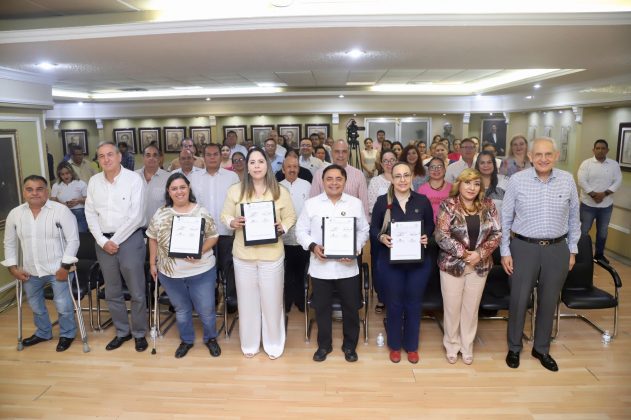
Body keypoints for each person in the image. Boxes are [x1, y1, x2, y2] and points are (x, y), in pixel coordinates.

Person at [501, 137, 580, 372]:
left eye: (548, 154)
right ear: (530, 157)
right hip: (523, 247)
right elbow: (505, 218)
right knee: (519, 299)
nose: (543, 159)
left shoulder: (567, 180)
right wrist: (505, 251)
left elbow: (574, 218)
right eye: (538, 154)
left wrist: (572, 249)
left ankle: (542, 348)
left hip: (557, 249)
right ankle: (514, 347)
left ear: (556, 156)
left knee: (549, 300)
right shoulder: (517, 180)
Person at [221, 147, 296, 359]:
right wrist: (232, 222)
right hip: (243, 256)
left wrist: (283, 227)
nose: (256, 166)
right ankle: (250, 344)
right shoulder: (235, 191)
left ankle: (273, 344)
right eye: (252, 162)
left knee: (272, 302)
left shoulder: (280, 191)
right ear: (247, 166)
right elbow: (225, 215)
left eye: (260, 162)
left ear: (267, 165)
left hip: (272, 256)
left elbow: (290, 217)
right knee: (247, 302)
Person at [296, 164, 370, 363]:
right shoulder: (311, 204)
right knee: (322, 308)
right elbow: (300, 231)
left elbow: (364, 230)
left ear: (345, 181)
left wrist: (354, 248)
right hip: (321, 268)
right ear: (322, 181)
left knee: (351, 308)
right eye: (329, 179)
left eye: (339, 179)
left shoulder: (355, 203)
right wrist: (313, 246)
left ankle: (349, 346)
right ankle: (324, 345)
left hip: (348, 268)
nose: (334, 183)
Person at [147, 173, 221, 359]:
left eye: (182, 187)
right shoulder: (161, 213)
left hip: (201, 270)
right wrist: (152, 262)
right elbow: (152, 238)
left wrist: (200, 251)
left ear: (189, 188)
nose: (179, 191)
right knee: (181, 310)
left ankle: (211, 338)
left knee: (206, 309)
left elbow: (213, 236)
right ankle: (187, 340)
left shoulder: (201, 211)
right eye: (174, 188)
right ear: (168, 192)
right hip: (170, 274)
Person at [2, 175, 79, 352]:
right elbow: (9, 243)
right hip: (30, 270)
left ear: (47, 191)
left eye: (39, 189)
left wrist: (65, 267)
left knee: (63, 306)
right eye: (29, 189)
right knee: (36, 306)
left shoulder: (61, 211)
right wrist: (13, 268)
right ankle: (44, 332)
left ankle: (67, 334)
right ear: (24, 192)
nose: (34, 193)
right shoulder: (15, 214)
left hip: (58, 269)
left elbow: (73, 240)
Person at [85, 142, 148, 352]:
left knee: (137, 291)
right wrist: (103, 241)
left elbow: (136, 216)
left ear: (119, 156)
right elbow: (90, 214)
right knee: (112, 291)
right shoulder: (94, 181)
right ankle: (122, 332)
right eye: (101, 156)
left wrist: (115, 240)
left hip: (130, 240)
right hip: (103, 242)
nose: (106, 159)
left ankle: (139, 333)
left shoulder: (134, 179)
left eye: (110, 154)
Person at [435, 168, 501, 365]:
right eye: (467, 183)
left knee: (471, 309)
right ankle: (451, 345)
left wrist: (480, 254)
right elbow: (441, 235)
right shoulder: (448, 205)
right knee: (452, 308)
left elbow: (497, 233)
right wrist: (464, 254)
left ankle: (467, 346)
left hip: (479, 265)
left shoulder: (488, 205)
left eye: (476, 184)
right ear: (459, 184)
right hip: (452, 265)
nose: (472, 188)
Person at [370, 163, 434, 364]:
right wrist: (381, 237)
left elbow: (431, 226)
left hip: (418, 263)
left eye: (406, 175)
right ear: (392, 178)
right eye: (398, 176)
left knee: (414, 303)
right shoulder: (383, 202)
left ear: (412, 176)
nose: (403, 180)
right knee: (394, 303)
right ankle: (395, 345)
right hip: (390, 263)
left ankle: (412, 346)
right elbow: (373, 228)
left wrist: (426, 236)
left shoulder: (422, 200)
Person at [190, 143, 240, 314]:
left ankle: (230, 299)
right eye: (208, 154)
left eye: (215, 154)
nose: (212, 157)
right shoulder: (194, 177)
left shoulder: (231, 177)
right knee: (206, 270)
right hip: (203, 234)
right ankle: (209, 299)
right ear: (203, 157)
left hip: (226, 232)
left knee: (229, 267)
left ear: (221, 156)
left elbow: (237, 203)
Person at [577, 139, 622, 263]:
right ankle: (579, 255)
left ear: (607, 150)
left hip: (606, 206)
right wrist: (593, 194)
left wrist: (604, 194)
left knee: (602, 232)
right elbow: (581, 180)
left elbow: (618, 181)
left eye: (603, 148)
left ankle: (599, 255)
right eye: (598, 148)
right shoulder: (586, 164)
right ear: (593, 150)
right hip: (587, 205)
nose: (600, 150)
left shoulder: (614, 165)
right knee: (583, 231)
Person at [279, 155, 311, 312]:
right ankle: (286, 300)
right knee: (286, 271)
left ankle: (300, 299)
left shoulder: (307, 185)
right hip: (283, 237)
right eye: (289, 167)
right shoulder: (277, 187)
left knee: (301, 269)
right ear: (283, 169)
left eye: (295, 167)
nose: (292, 169)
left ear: (299, 169)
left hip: (302, 236)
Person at [310, 140, 369, 218]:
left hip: (351, 222)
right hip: (325, 221)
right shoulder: (319, 174)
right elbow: (313, 203)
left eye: (344, 152)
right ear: (331, 153)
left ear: (348, 154)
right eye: (337, 151)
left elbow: (364, 205)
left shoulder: (359, 175)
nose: (340, 155)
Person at [135, 144, 169, 227]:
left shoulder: (168, 177)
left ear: (159, 159)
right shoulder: (133, 176)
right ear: (143, 158)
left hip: (159, 228)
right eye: (148, 155)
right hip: (136, 228)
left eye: (155, 155)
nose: (151, 158)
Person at [50, 162, 89, 232]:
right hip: (62, 213)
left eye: (67, 173)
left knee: (81, 235)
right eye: (62, 174)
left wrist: (78, 201)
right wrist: (63, 204)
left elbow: (88, 200)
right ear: (59, 175)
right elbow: (53, 201)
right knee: (66, 235)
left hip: (79, 213)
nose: (65, 176)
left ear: (72, 172)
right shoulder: (56, 186)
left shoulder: (81, 183)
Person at [417, 157, 452, 224]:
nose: (436, 170)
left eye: (439, 166)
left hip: (449, 226)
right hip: (427, 226)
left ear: (445, 170)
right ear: (428, 171)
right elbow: (419, 211)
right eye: (432, 167)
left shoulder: (452, 188)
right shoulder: (422, 189)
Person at [475, 151, 508, 218]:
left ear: (494, 164)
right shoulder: (472, 184)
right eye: (482, 163)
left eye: (489, 162)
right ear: (477, 165)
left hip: (501, 224)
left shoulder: (505, 181)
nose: (486, 165)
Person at [368, 150, 397, 218]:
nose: (389, 163)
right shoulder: (375, 181)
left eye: (392, 160)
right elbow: (372, 207)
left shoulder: (404, 179)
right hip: (381, 220)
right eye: (385, 161)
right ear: (381, 164)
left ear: (397, 161)